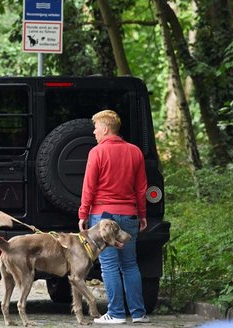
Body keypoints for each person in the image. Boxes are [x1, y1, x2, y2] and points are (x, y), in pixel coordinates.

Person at [78, 110, 150, 324]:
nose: (94, 132)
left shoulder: (97, 152)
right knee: (130, 264)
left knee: (109, 265)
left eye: (96, 127)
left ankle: (116, 313)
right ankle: (138, 314)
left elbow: (89, 187)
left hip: (103, 217)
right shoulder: (135, 151)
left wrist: (83, 213)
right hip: (129, 215)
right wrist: (142, 214)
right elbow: (141, 188)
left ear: (106, 129)